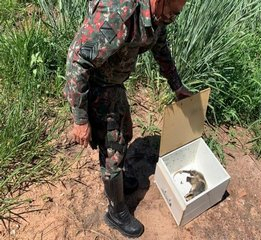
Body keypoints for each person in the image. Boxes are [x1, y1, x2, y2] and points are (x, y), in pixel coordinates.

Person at [63, 0, 192, 237]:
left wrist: (177, 86)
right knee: (114, 146)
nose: (173, 18)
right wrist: (80, 119)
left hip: (113, 84)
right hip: (96, 85)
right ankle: (116, 211)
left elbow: (160, 47)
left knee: (124, 134)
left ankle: (117, 184)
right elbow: (77, 60)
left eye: (177, 14)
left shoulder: (157, 16)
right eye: (172, 12)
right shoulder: (118, 15)